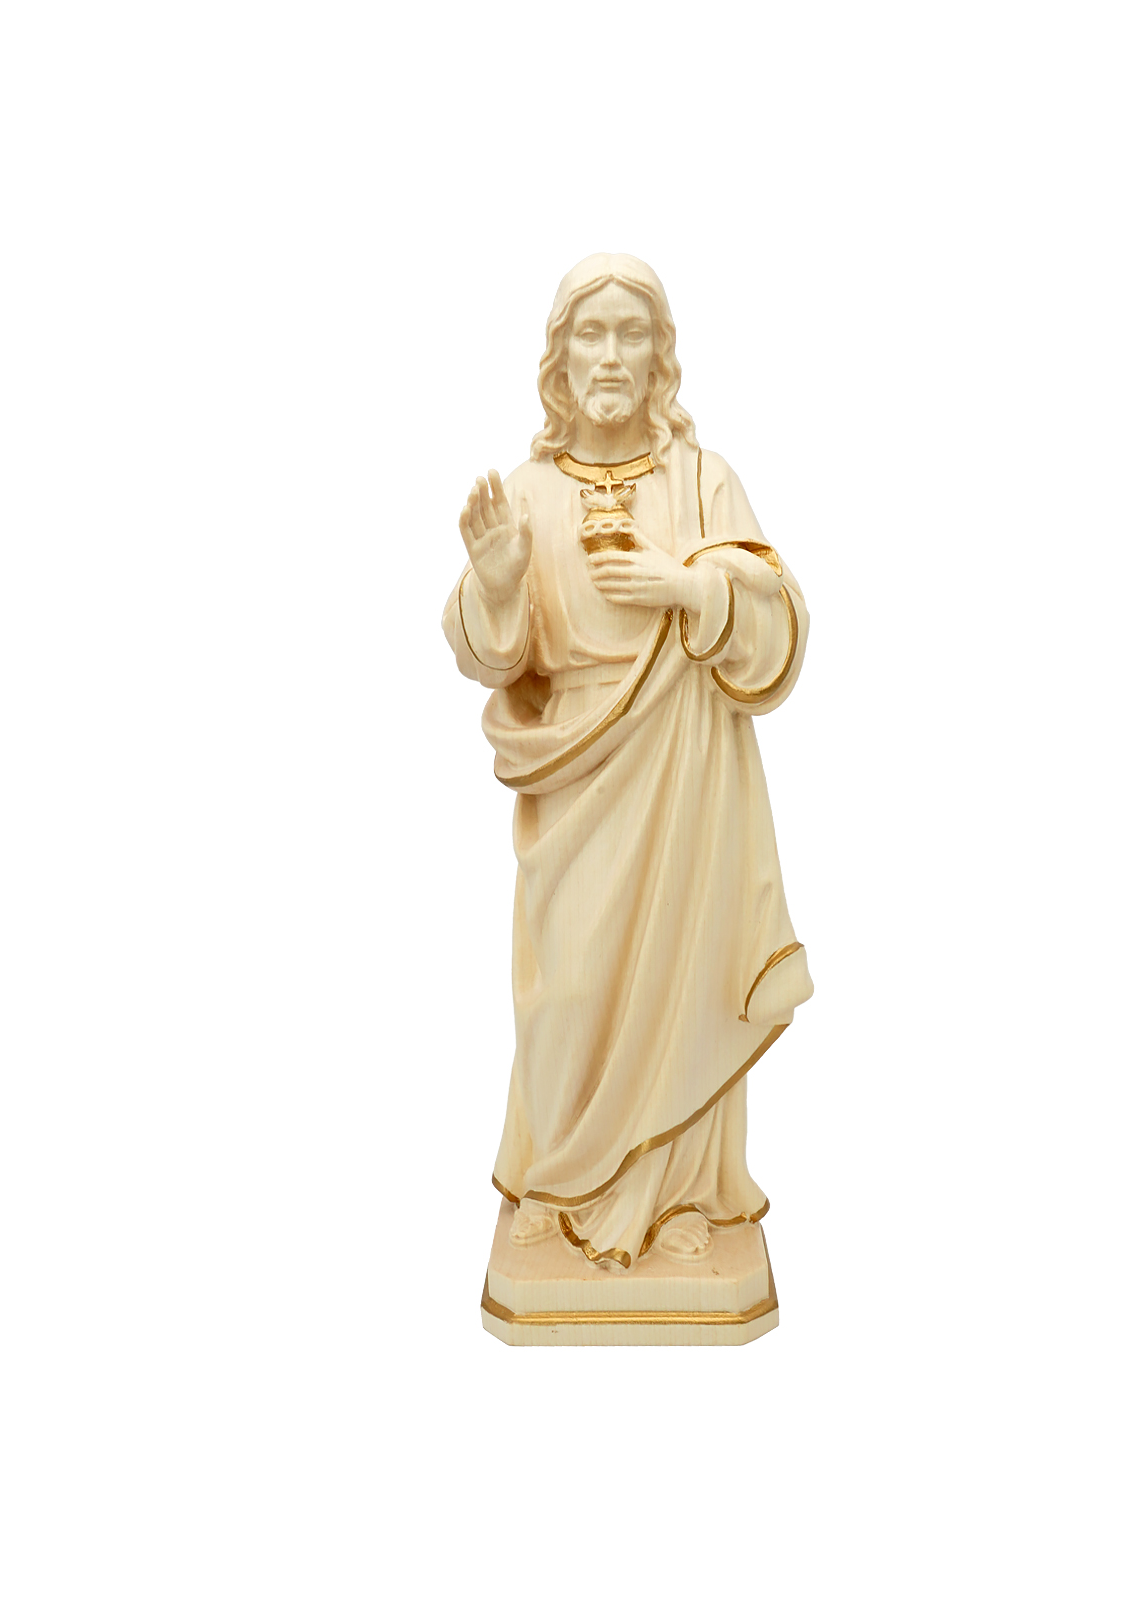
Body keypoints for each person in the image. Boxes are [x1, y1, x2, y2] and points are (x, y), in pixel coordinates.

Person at [443, 254, 813, 1269]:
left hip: (687, 771)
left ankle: (680, 1195)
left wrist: (686, 587)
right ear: (559, 359)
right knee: (565, 990)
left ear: (660, 357)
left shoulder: (701, 480)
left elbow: (777, 627)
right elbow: (496, 659)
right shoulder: (526, 491)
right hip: (575, 779)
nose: (610, 354)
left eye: (631, 333)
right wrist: (498, 583)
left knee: (683, 983)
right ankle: (559, 1178)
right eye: (591, 333)